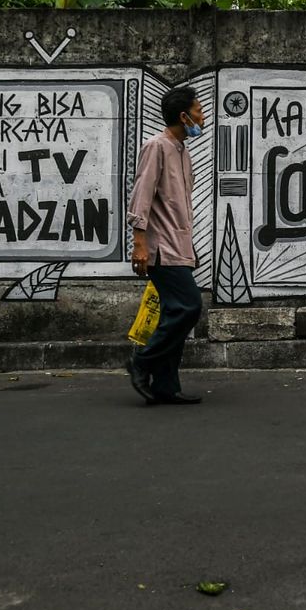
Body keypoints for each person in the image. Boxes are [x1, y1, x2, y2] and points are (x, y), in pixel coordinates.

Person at [125, 86, 207, 405]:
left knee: (176, 311)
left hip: (179, 248)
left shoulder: (182, 152)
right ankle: (141, 362)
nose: (202, 117)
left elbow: (179, 207)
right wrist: (139, 243)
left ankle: (165, 386)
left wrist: (190, 250)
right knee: (189, 306)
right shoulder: (156, 146)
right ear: (183, 116)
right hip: (160, 249)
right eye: (198, 111)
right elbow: (142, 195)